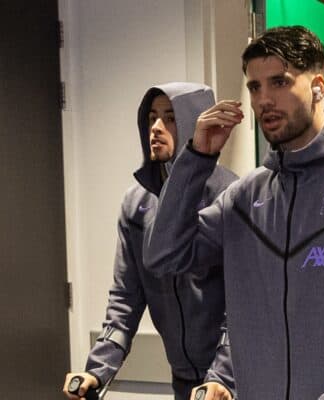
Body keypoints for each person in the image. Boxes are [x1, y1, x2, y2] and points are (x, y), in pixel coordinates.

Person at [143, 26, 324, 400]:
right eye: (255, 87)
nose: (264, 100)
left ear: (318, 86)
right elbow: (164, 254)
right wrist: (196, 159)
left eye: (279, 82)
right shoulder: (244, 197)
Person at [62, 82, 238, 400]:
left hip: (229, 383)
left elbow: (241, 304)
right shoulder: (136, 204)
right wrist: (96, 370)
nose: (156, 128)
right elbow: (125, 299)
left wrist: (223, 377)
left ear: (193, 121)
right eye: (151, 118)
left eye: (170, 117)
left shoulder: (229, 195)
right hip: (184, 380)